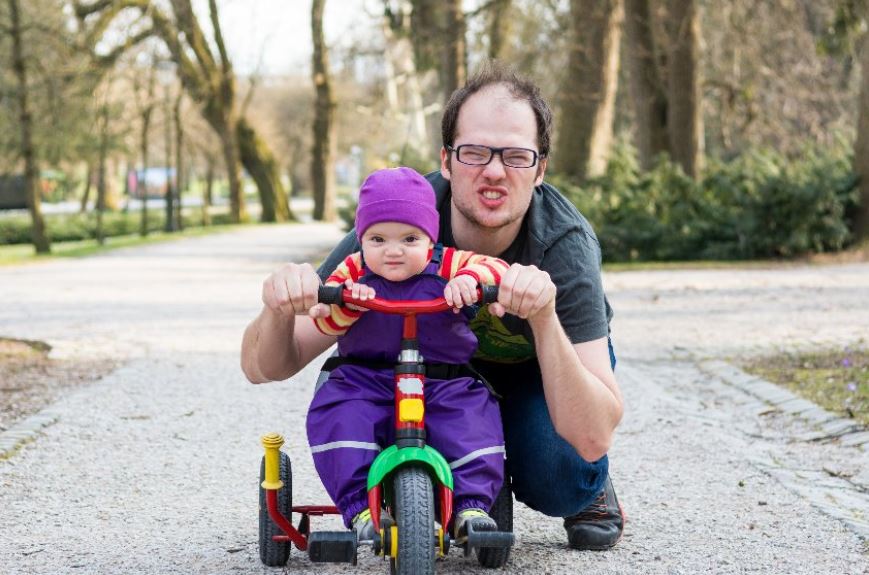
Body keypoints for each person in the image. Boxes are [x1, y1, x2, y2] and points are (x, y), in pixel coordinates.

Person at [241, 62, 624, 551]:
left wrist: (544, 318)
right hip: (426, 370)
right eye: (475, 152)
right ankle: (437, 475)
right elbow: (265, 366)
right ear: (446, 161)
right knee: (354, 397)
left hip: (535, 371)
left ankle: (585, 489)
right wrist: (277, 307)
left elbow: (593, 434)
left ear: (541, 169)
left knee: (561, 471)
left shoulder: (563, 244)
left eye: (516, 156)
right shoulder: (398, 226)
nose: (493, 170)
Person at [301, 166, 509, 540]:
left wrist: (472, 280)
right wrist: (347, 304)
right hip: (365, 377)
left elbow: (497, 269)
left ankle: (471, 506)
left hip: (444, 378)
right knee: (340, 415)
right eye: (378, 239)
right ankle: (362, 508)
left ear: (430, 239)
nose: (393, 252)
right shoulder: (353, 269)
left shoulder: (448, 263)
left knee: (472, 420)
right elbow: (324, 322)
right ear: (361, 239)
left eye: (409, 239)